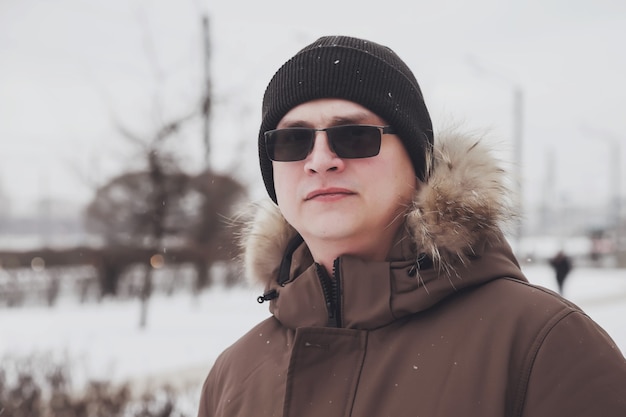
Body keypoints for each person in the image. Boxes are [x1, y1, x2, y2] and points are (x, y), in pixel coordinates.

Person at [197, 35, 626, 417]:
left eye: (355, 136)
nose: (320, 159)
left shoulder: (541, 345)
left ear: (418, 162)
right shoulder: (234, 374)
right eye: (293, 140)